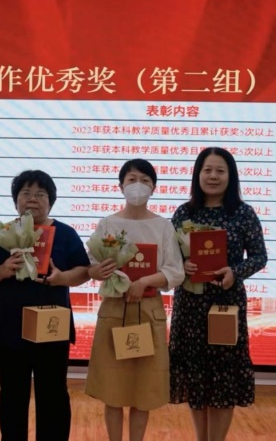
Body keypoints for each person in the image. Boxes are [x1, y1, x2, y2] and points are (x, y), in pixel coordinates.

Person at [168, 148, 268, 441]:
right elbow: (169, 258)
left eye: (220, 171)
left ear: (230, 176)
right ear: (197, 174)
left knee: (223, 376)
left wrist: (235, 272)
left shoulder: (243, 213)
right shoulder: (184, 213)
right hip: (190, 306)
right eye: (207, 170)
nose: (213, 176)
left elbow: (259, 256)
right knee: (196, 375)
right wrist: (183, 265)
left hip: (226, 304)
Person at [0, 170, 90, 441]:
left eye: (40, 194)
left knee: (53, 393)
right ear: (15, 200)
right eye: (26, 193)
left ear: (51, 201)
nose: (33, 199)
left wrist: (62, 278)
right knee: (12, 394)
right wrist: (2, 270)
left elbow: (84, 271)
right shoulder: (2, 233)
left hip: (51, 326)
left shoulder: (65, 234)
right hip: (11, 325)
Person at [86, 159, 185, 441]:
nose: (137, 185)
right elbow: (92, 263)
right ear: (121, 186)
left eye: (144, 179)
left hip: (149, 310)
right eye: (131, 179)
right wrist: (101, 271)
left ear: (153, 187)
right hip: (115, 308)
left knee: (144, 389)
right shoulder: (108, 223)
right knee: (113, 387)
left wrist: (144, 282)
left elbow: (175, 271)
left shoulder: (163, 226)